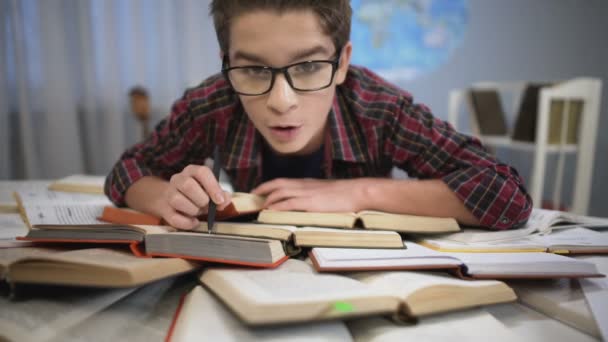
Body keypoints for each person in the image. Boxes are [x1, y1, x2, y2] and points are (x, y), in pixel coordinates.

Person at [105, 0, 532, 231]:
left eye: (308, 65)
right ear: (226, 61)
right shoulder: (214, 101)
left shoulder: (378, 107)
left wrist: (360, 194)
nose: (281, 101)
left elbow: (505, 194)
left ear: (342, 63)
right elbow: (127, 170)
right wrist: (162, 197)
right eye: (253, 69)